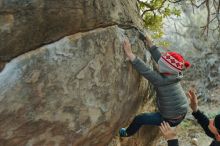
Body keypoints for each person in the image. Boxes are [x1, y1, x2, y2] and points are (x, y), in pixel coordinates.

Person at [119, 34, 191, 137]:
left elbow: (145, 70)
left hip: (171, 119)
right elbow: (161, 60)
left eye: (161, 64)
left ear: (166, 69)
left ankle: (126, 133)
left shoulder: (161, 81)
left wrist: (130, 54)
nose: (159, 63)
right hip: (182, 110)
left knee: (140, 119)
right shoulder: (175, 73)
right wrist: (150, 44)